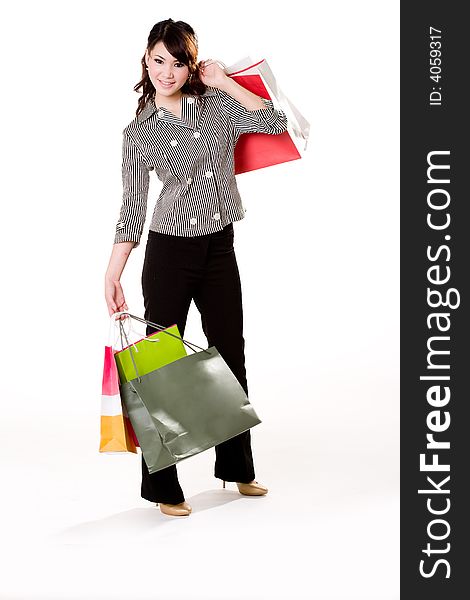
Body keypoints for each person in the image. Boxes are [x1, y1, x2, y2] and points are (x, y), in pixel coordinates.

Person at [104, 18, 288, 517]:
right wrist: (113, 271)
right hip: (169, 253)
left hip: (219, 248)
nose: (167, 70)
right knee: (161, 368)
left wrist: (224, 81)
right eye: (158, 59)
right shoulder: (139, 131)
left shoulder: (212, 104)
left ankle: (237, 467)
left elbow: (275, 123)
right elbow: (132, 205)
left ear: (192, 63)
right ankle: (163, 487)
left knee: (231, 354)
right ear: (145, 60)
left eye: (178, 61)